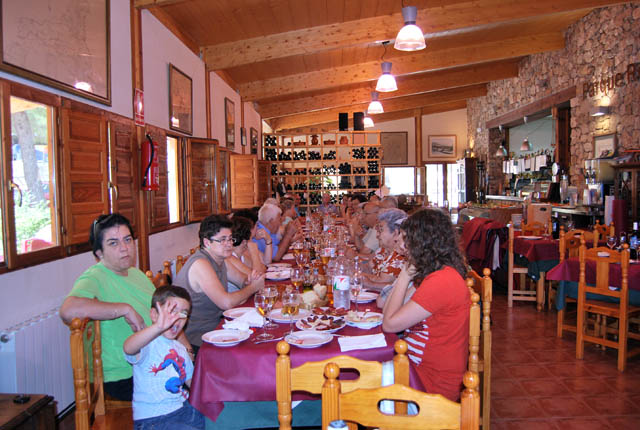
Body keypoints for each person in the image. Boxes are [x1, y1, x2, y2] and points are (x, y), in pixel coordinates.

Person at [60, 213, 168, 401]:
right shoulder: (94, 277)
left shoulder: (136, 274)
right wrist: (124, 309)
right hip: (122, 376)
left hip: (150, 363)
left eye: (127, 240)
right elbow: (67, 311)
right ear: (99, 253)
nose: (124, 248)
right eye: (113, 243)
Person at [382, 208, 470, 402]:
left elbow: (389, 324)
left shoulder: (442, 281)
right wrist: (405, 276)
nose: (402, 245)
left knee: (353, 381)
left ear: (423, 242)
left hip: (429, 385)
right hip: (415, 368)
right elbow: (386, 308)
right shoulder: (433, 273)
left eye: (407, 239)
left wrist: (405, 275)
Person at [173, 215, 264, 354]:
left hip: (219, 327)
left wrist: (251, 281)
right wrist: (253, 287)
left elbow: (243, 281)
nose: (229, 244)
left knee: (260, 339)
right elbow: (226, 303)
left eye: (230, 239)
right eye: (222, 240)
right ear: (207, 242)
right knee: (254, 349)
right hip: (198, 338)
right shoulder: (201, 264)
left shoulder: (221, 259)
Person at [123, 286, 204, 430]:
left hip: (184, 409)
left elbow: (192, 382)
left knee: (223, 417)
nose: (177, 319)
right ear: (154, 315)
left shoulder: (180, 349)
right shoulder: (148, 342)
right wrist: (158, 327)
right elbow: (129, 347)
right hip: (154, 419)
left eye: (183, 314)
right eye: (172, 311)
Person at [362, 208, 407, 291]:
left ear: (395, 233)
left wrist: (356, 275)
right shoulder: (382, 250)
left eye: (381, 230)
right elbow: (368, 267)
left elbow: (382, 281)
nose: (377, 235)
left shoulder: (401, 255)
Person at [226, 216, 266, 292]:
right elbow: (258, 279)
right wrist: (254, 252)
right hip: (237, 301)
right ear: (245, 240)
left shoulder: (241, 255)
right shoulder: (230, 257)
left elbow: (263, 268)